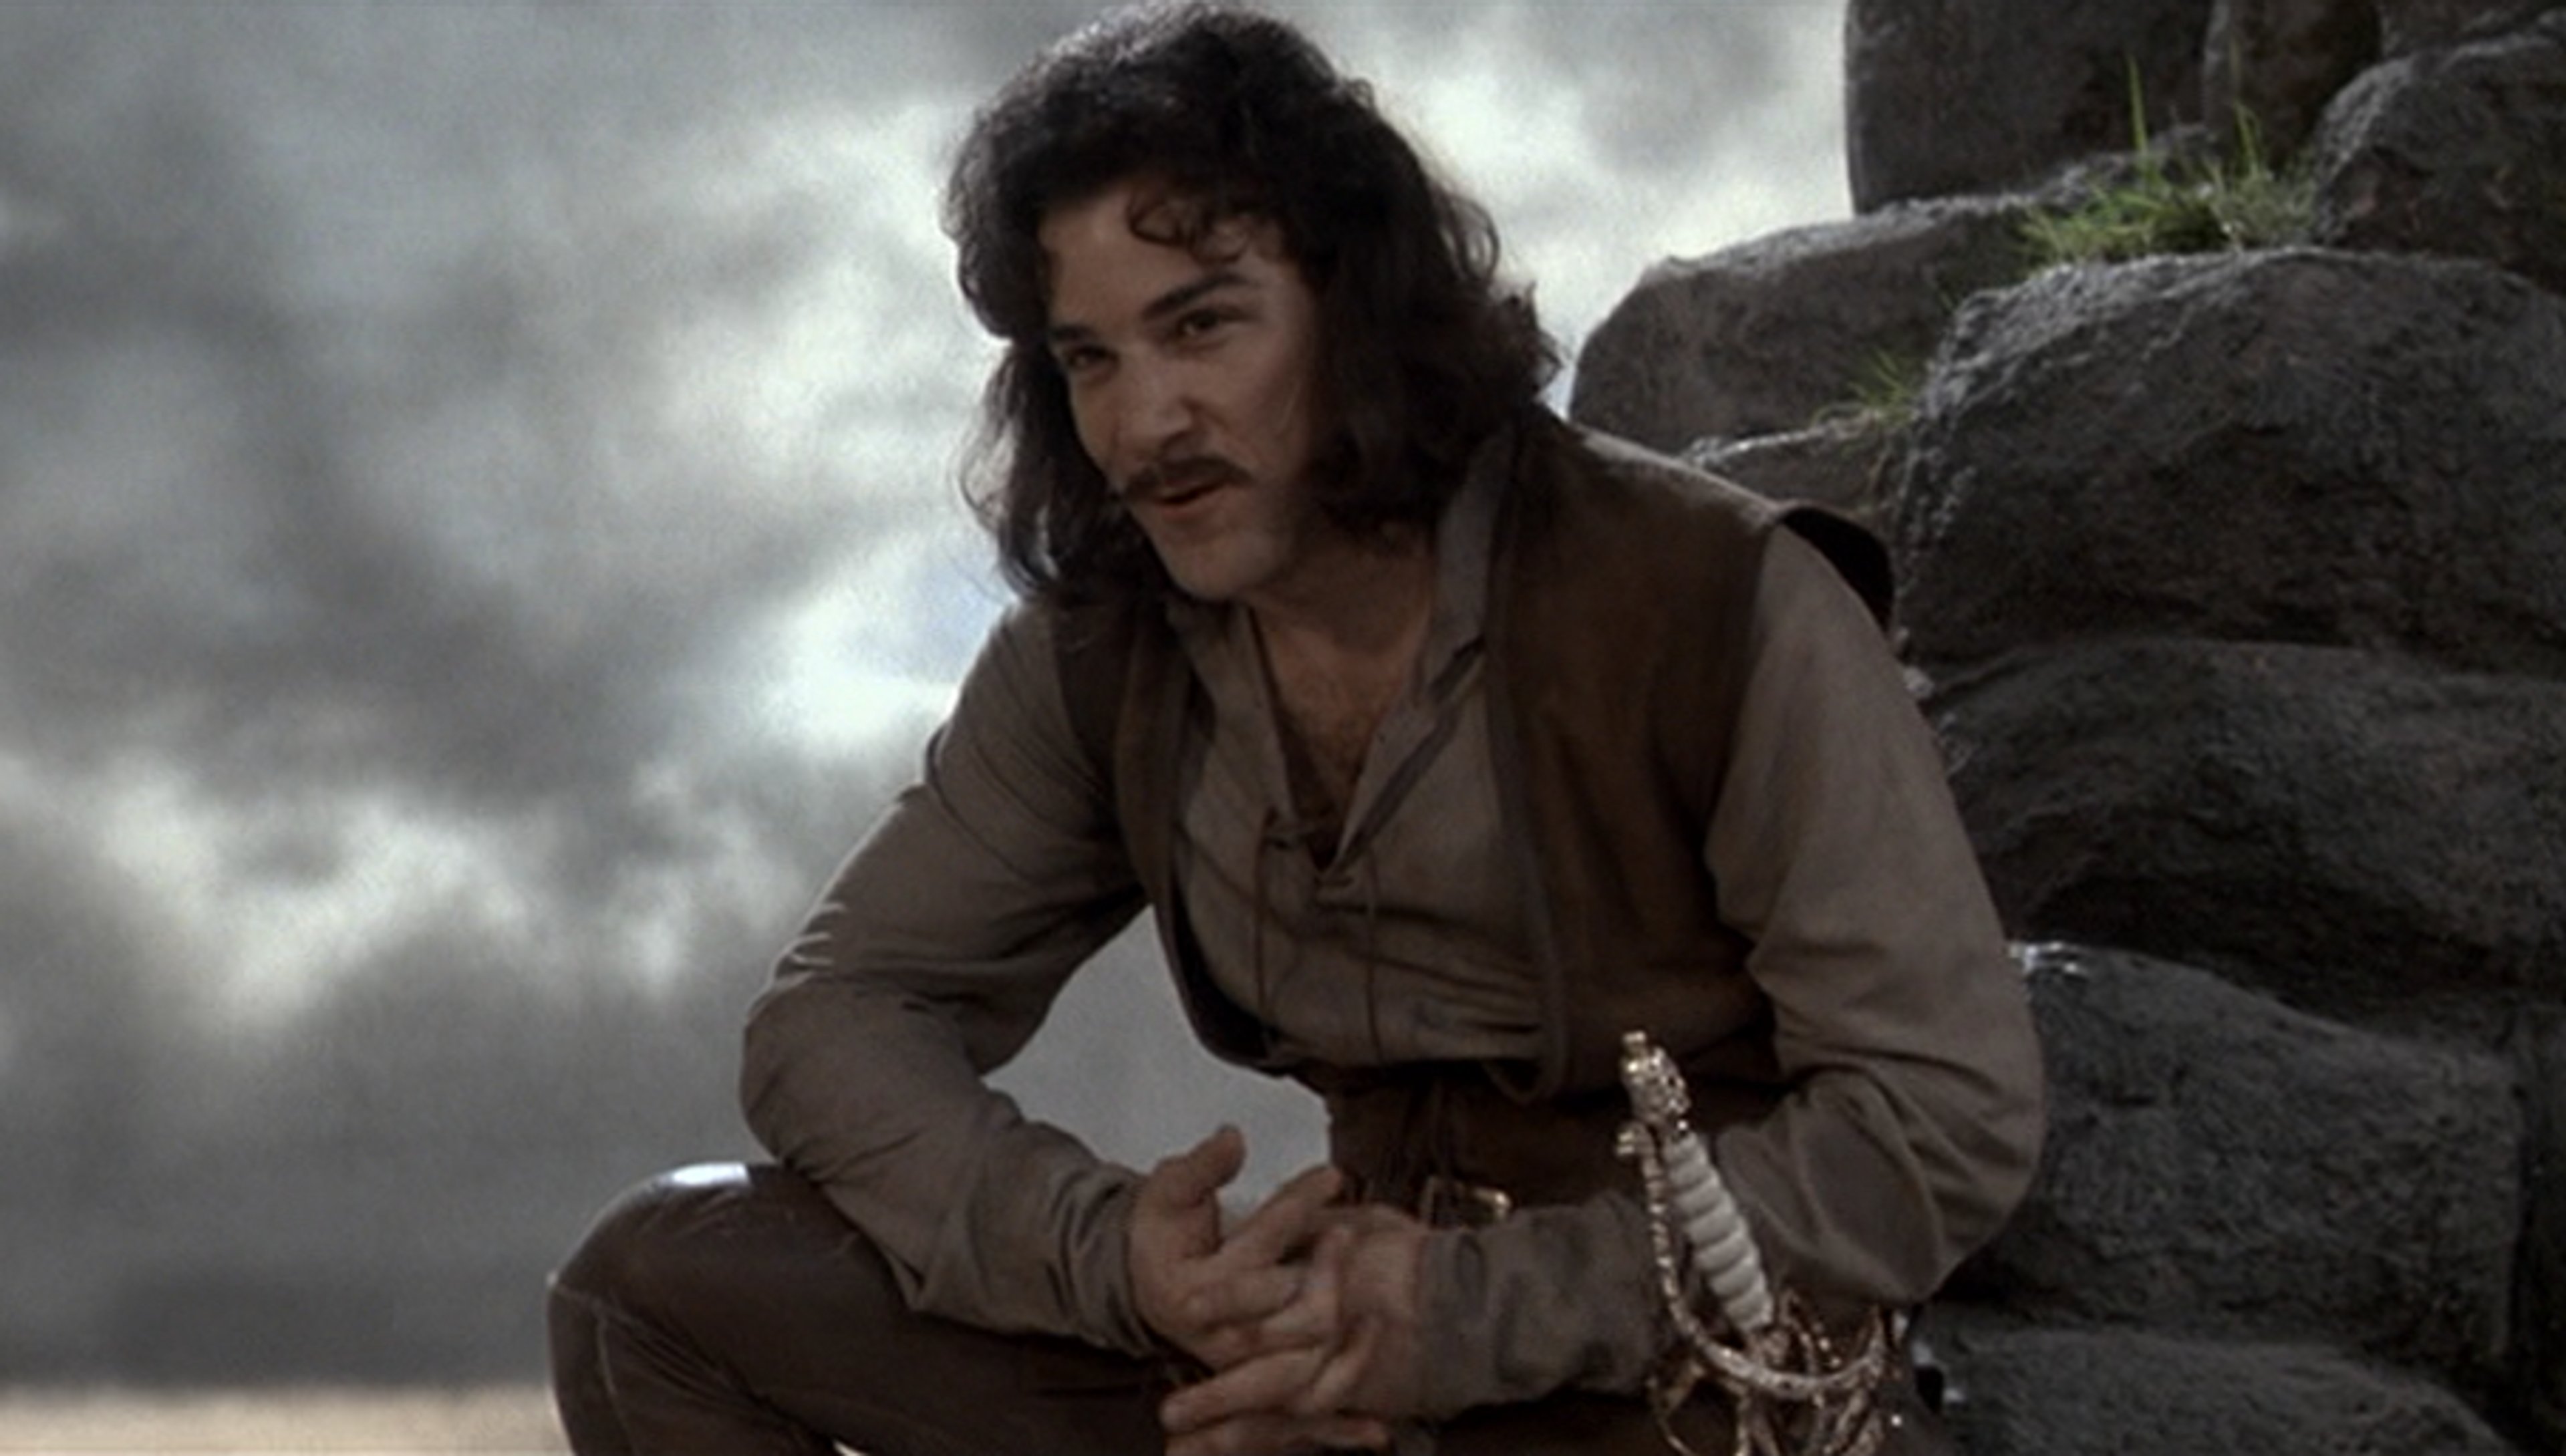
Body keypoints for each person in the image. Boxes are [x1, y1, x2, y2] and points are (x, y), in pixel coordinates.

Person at [545, 4, 2044, 1453]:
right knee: (655, 1290)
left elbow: (1943, 1113)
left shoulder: (1716, 599)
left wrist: (1461, 1319)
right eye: (1093, 360)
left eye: (1202, 327)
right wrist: (1126, 1262)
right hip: (1294, 1366)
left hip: (1670, 1392)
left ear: (1358, 309)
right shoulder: (1103, 651)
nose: (1143, 424)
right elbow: (833, 1019)